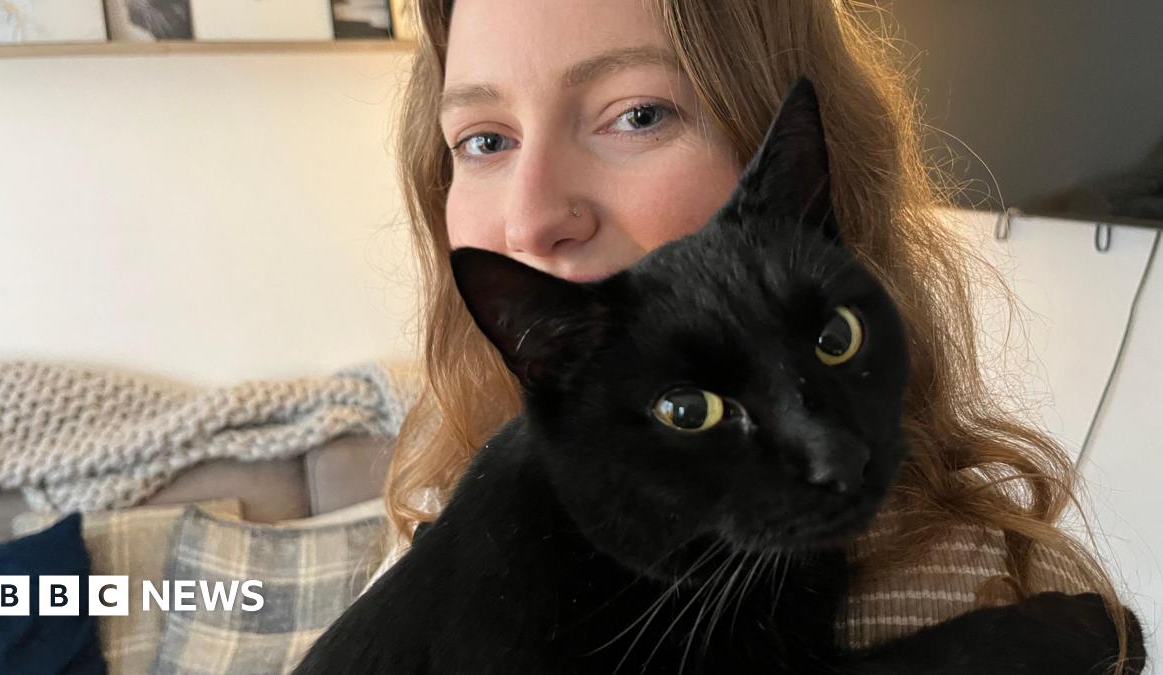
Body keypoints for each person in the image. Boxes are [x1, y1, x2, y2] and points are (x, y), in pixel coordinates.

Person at [376, 0, 1134, 662]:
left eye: (639, 114)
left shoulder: (959, 588)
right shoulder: (441, 510)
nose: (529, 218)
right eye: (484, 140)